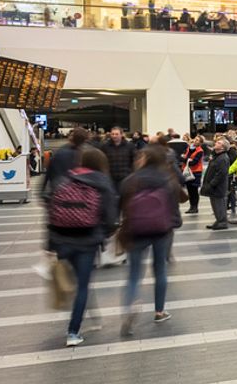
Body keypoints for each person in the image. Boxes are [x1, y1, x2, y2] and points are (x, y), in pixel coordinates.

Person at [45, 145, 118, 347]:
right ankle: (73, 331)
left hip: (62, 240)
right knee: (83, 286)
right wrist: (104, 235)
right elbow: (111, 218)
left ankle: (93, 317)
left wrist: (49, 245)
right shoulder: (102, 182)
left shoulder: (65, 179)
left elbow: (51, 213)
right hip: (87, 241)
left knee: (75, 282)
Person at [117, 145, 181, 334]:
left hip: (136, 230)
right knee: (160, 269)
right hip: (161, 230)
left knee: (134, 273)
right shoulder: (167, 179)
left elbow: (121, 206)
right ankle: (159, 311)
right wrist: (173, 224)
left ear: (144, 159)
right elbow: (174, 207)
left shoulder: (131, 180)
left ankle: (130, 306)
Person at [201, 137, 231, 230]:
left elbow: (221, 174)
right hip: (213, 185)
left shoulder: (223, 158)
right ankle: (218, 220)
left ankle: (222, 222)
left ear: (222, 147)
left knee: (219, 204)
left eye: (218, 143)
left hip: (218, 186)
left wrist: (212, 184)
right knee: (215, 204)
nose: (215, 143)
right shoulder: (216, 156)